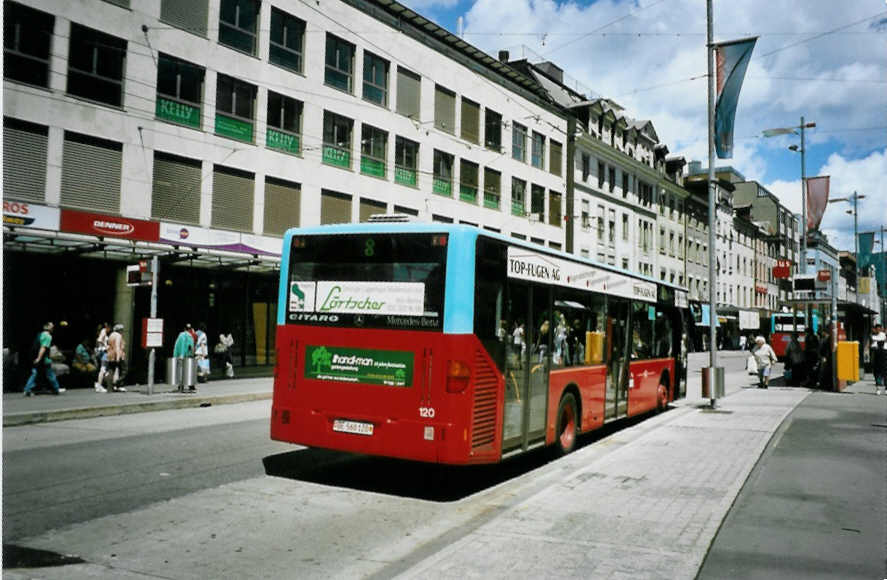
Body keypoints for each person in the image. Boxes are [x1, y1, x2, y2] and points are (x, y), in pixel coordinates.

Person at [23, 322, 65, 396]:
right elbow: (43, 348)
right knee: (49, 373)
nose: (53, 328)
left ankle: (27, 389)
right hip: (43, 359)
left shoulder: (40, 334)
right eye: (52, 327)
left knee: (35, 373)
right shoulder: (48, 336)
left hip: (36, 357)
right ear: (47, 327)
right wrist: (39, 358)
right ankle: (56, 388)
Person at [174, 324, 196, 392]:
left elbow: (176, 346)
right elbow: (184, 345)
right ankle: (187, 385)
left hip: (184, 355)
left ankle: (183, 385)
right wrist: (182, 354)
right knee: (187, 370)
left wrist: (176, 355)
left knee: (183, 370)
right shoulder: (186, 336)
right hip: (186, 355)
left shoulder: (184, 335)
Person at [106, 323, 127, 392]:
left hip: (110, 355)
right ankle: (118, 383)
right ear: (120, 330)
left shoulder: (111, 335)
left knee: (111, 370)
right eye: (122, 330)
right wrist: (118, 357)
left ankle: (110, 388)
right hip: (118, 355)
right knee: (124, 370)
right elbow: (117, 346)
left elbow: (108, 345)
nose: (123, 331)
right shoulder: (118, 336)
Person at [870, 323, 886, 394]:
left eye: (880, 328)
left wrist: (876, 341)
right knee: (876, 372)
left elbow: (883, 340)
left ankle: (886, 388)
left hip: (883, 354)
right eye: (877, 328)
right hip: (875, 354)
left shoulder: (883, 335)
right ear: (875, 329)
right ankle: (878, 388)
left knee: (885, 372)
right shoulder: (872, 335)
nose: (878, 330)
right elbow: (872, 345)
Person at [95, 322, 110, 392]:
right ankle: (99, 385)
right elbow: (99, 340)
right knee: (103, 369)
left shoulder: (103, 331)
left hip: (102, 352)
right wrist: (105, 346)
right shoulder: (103, 331)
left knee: (104, 370)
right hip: (104, 352)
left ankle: (99, 384)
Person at [817, 326, 834, 391]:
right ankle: (825, 385)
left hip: (825, 358)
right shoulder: (829, 339)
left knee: (824, 372)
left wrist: (822, 356)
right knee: (825, 372)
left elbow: (822, 349)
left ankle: (823, 385)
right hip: (827, 357)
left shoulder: (826, 339)